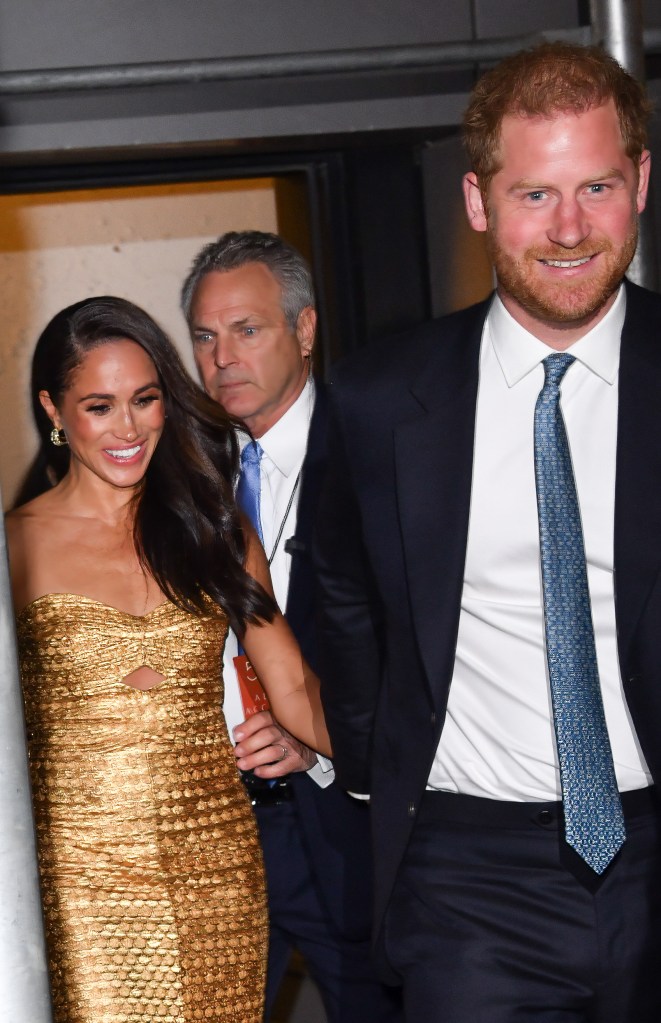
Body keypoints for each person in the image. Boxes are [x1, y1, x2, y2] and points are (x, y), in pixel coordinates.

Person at [315, 41, 661, 1023]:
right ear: (476, 201)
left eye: (595, 186)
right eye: (532, 194)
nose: (567, 228)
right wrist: (382, 759)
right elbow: (338, 593)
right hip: (468, 880)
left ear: (640, 181)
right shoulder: (379, 400)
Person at [6, 295, 330, 1023]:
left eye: (145, 399)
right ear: (54, 409)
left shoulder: (213, 526)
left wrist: (416, 756)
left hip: (217, 868)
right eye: (99, 405)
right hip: (79, 884)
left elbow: (294, 686)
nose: (128, 427)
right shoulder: (15, 546)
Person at [181, 231, 402, 1023]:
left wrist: (315, 741)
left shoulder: (378, 451)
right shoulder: (183, 470)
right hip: (216, 834)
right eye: (205, 337)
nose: (222, 357)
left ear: (304, 330)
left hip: (349, 826)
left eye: (247, 329)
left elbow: (407, 650)